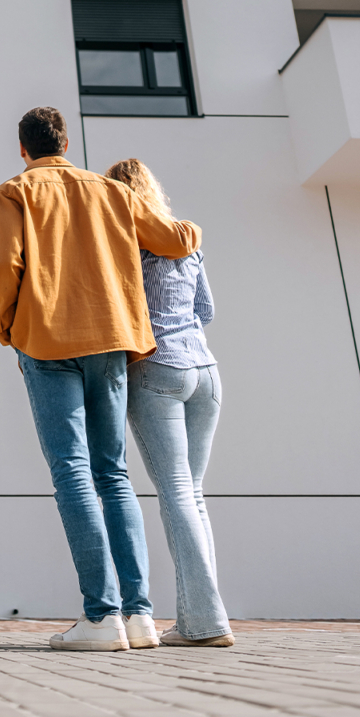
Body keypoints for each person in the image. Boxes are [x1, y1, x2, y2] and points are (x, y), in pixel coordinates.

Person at [0, 107, 201, 651]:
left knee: (73, 472)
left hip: (48, 341)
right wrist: (194, 228)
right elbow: (176, 240)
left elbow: (4, 267)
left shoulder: (15, 192)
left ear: (23, 147)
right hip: (112, 340)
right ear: (65, 141)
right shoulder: (112, 192)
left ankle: (101, 617)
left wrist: (8, 330)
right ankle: (140, 617)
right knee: (113, 474)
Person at [106, 158, 234, 648]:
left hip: (156, 369)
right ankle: (198, 618)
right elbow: (207, 311)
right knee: (194, 496)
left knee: (178, 494)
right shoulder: (187, 240)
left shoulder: (125, 244)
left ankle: (205, 624)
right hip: (205, 371)